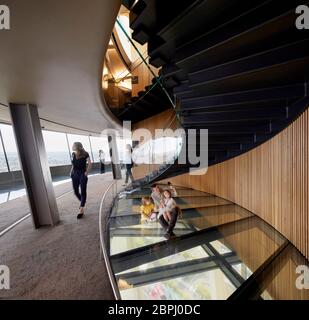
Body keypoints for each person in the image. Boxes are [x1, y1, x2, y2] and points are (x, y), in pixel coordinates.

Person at [70, 142, 92, 219]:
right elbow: (73, 165)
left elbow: (89, 163)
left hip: (83, 174)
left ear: (77, 147)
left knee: (83, 191)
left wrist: (87, 172)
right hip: (74, 174)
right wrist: (71, 172)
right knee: (75, 191)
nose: (72, 146)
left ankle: (81, 208)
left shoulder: (85, 154)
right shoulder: (73, 154)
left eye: (73, 145)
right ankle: (83, 201)